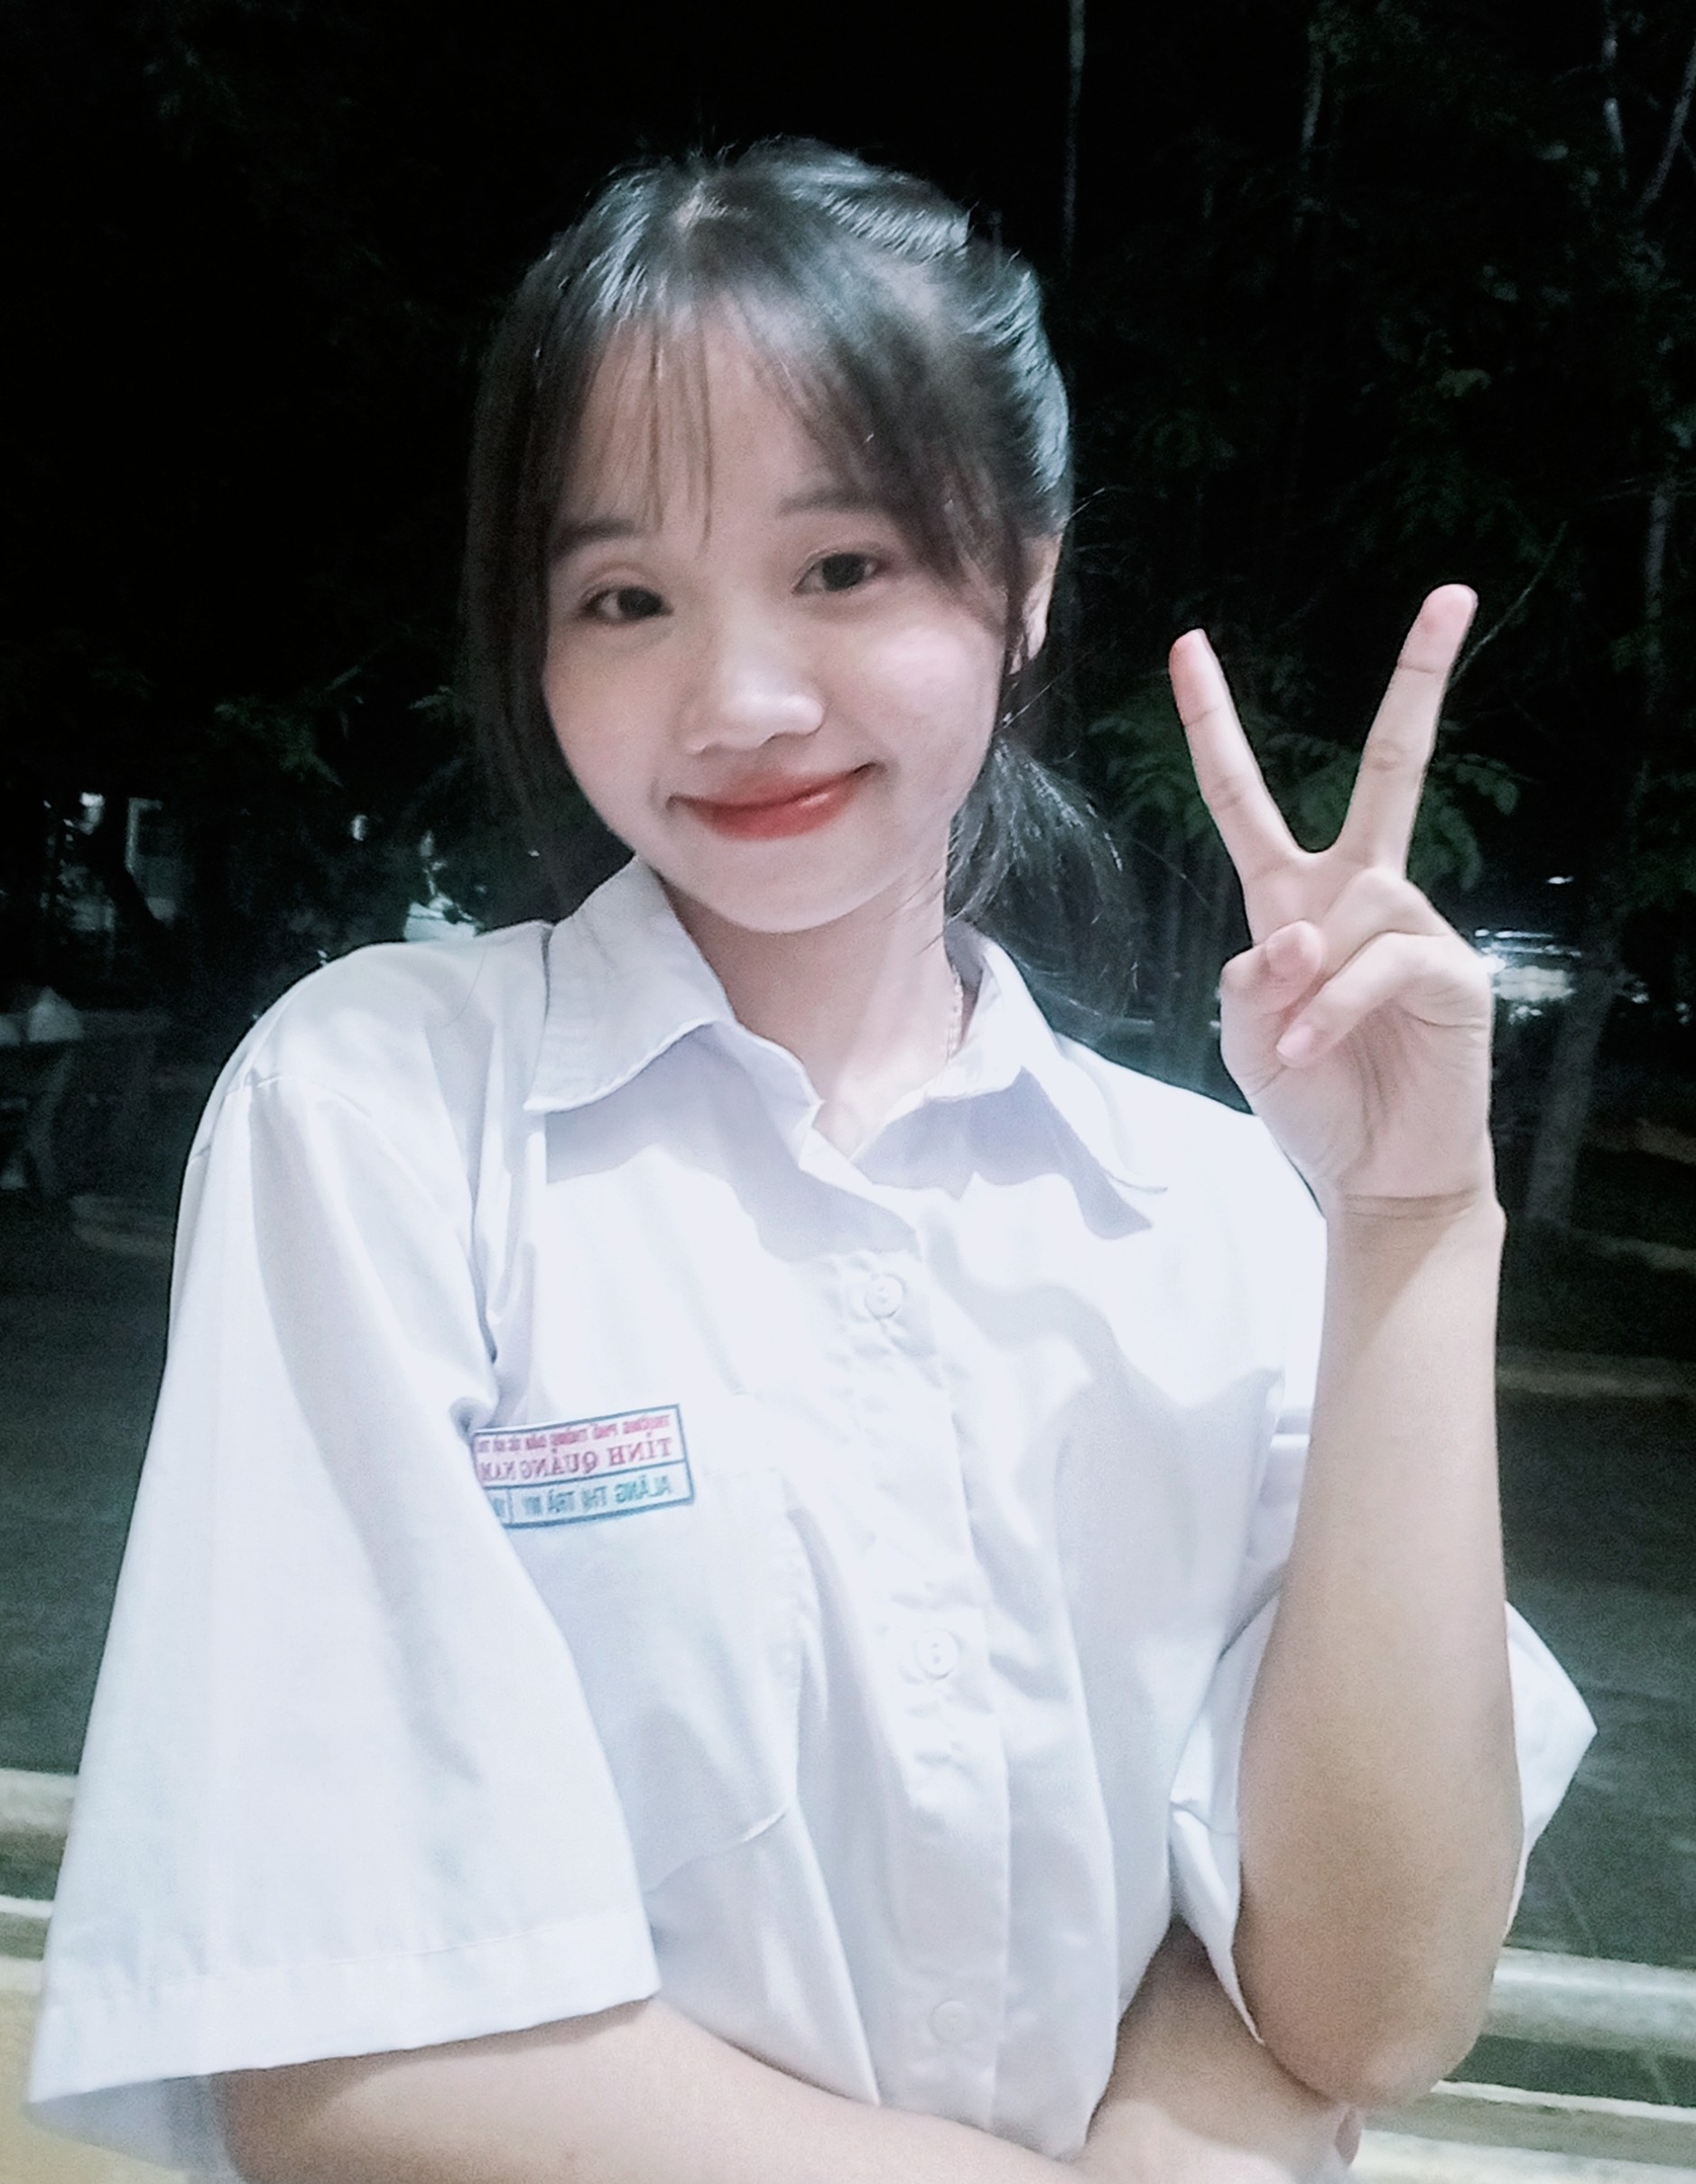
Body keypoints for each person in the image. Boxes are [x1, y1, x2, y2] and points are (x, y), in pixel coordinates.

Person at [30, 141, 1593, 2182]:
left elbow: (1370, 2002)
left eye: (842, 567)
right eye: (625, 599)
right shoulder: (387, 1117)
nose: (743, 700)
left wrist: (1414, 1225)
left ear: (1023, 581)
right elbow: (348, 2056)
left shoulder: (1204, 1218)